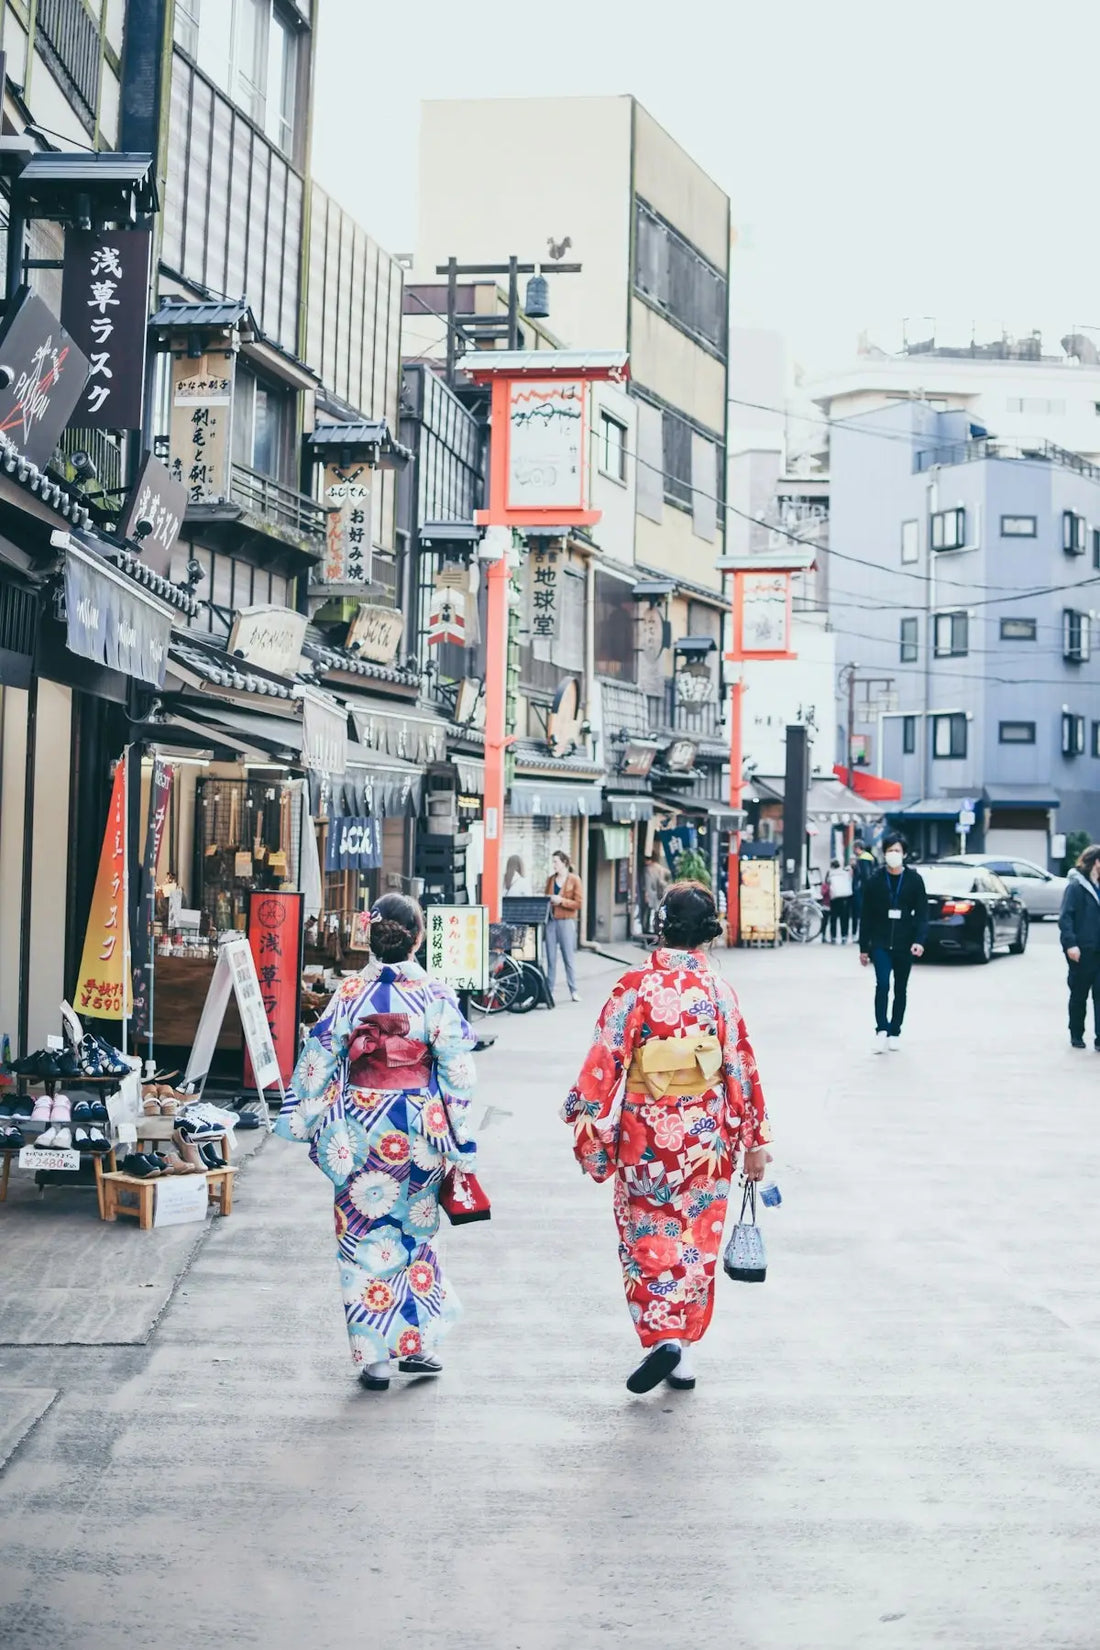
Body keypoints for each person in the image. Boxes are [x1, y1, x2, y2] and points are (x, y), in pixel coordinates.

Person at [562, 881, 772, 1394]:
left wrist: (584, 1113)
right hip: (706, 1137)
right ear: (708, 935)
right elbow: (741, 1067)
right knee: (696, 1240)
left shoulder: (634, 986)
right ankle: (685, 1353)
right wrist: (755, 1137)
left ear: (661, 926)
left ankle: (664, 1340)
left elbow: (605, 1056)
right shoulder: (719, 992)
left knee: (647, 1235)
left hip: (647, 1134)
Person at [274, 893, 479, 1391]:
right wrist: (462, 1137)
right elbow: (456, 1067)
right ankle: (419, 1348)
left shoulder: (347, 994)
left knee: (360, 1237)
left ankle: (375, 1361)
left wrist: (305, 1118)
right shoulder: (433, 995)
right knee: (414, 1237)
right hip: (419, 1129)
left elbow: (318, 1059)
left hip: (362, 1126)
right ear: (417, 938)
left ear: (370, 936)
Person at [858, 834, 927, 1052]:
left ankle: (896, 1030)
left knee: (900, 988)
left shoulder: (914, 880)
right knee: (883, 985)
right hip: (880, 942)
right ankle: (881, 1030)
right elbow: (866, 915)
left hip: (905, 943)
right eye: (890, 850)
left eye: (897, 851)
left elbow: (922, 913)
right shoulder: (875, 881)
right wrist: (863, 948)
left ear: (904, 854)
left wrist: (919, 940)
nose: (893, 855)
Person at [1058, 844, 1100, 1048]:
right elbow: (1065, 919)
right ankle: (1076, 1034)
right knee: (1079, 995)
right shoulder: (1076, 887)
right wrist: (1071, 944)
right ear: (1096, 862)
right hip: (1082, 951)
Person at [545, 848, 583, 1002]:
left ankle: (573, 990)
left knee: (568, 957)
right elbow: (545, 898)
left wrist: (561, 901)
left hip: (567, 921)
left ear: (564, 863)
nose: (553, 865)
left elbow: (579, 903)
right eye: (553, 862)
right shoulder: (550, 880)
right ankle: (550, 990)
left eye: (556, 862)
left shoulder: (574, 879)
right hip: (551, 921)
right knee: (550, 958)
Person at [641, 852, 670, 937]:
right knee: (657, 912)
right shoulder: (660, 868)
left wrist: (645, 894)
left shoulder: (647, 869)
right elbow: (667, 875)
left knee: (647, 911)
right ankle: (656, 929)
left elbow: (647, 883)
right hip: (659, 894)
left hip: (650, 893)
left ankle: (646, 928)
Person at [826, 857, 854, 943]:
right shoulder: (845, 872)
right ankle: (844, 936)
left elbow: (827, 882)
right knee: (844, 917)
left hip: (835, 897)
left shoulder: (830, 873)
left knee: (833, 918)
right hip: (846, 897)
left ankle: (833, 937)